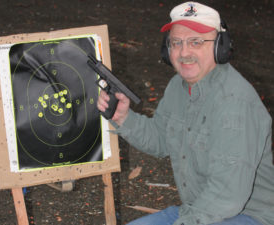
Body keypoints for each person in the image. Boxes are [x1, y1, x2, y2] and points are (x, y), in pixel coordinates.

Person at [97, 2, 274, 225]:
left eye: (196, 42)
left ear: (220, 47)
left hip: (248, 216)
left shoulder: (235, 103)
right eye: (176, 43)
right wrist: (123, 117)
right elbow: (161, 140)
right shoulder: (177, 87)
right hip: (199, 209)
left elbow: (227, 195)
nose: (184, 52)